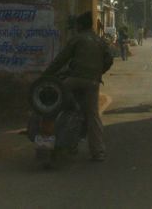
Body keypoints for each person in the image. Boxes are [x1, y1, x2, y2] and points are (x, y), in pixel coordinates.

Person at [43, 11, 113, 162]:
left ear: (80, 25)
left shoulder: (77, 39)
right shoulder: (100, 41)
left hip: (74, 79)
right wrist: (99, 71)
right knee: (93, 115)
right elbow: (109, 60)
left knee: (56, 104)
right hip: (93, 82)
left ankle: (52, 139)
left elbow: (62, 59)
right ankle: (98, 151)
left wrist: (46, 74)